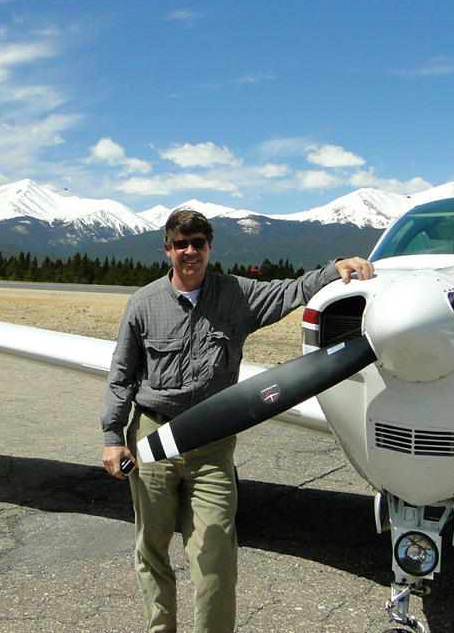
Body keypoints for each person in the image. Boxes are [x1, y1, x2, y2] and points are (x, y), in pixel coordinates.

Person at [101, 208, 374, 632]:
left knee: (215, 553)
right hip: (154, 437)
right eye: (180, 244)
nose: (189, 252)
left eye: (198, 244)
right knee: (151, 548)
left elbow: (291, 290)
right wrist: (112, 437)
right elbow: (121, 377)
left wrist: (333, 269)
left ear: (209, 247)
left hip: (212, 443)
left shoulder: (236, 295)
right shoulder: (143, 304)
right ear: (167, 249)